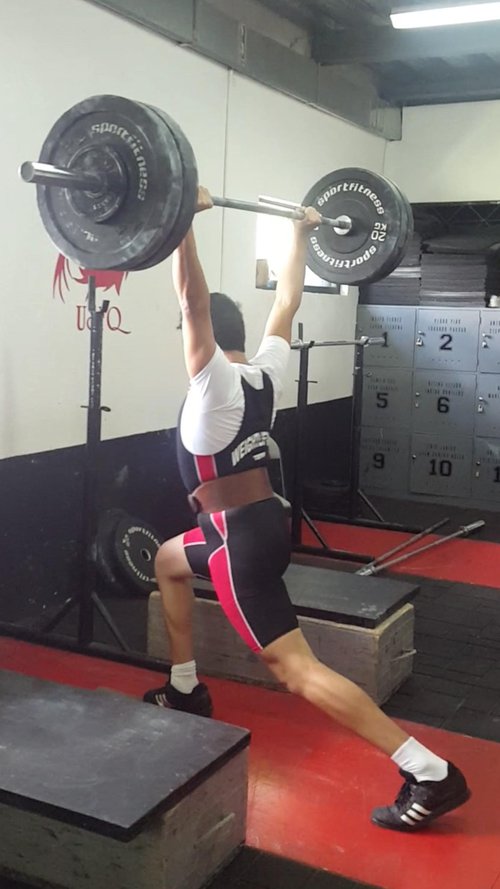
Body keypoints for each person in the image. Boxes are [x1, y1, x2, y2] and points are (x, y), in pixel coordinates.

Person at [144, 187, 470, 832]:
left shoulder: (210, 386)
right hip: (258, 523)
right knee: (166, 559)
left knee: (293, 669)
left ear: (206, 339)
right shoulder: (264, 369)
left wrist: (181, 223)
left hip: (238, 539)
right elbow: (287, 301)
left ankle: (428, 771)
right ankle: (185, 685)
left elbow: (191, 301)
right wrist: (303, 230)